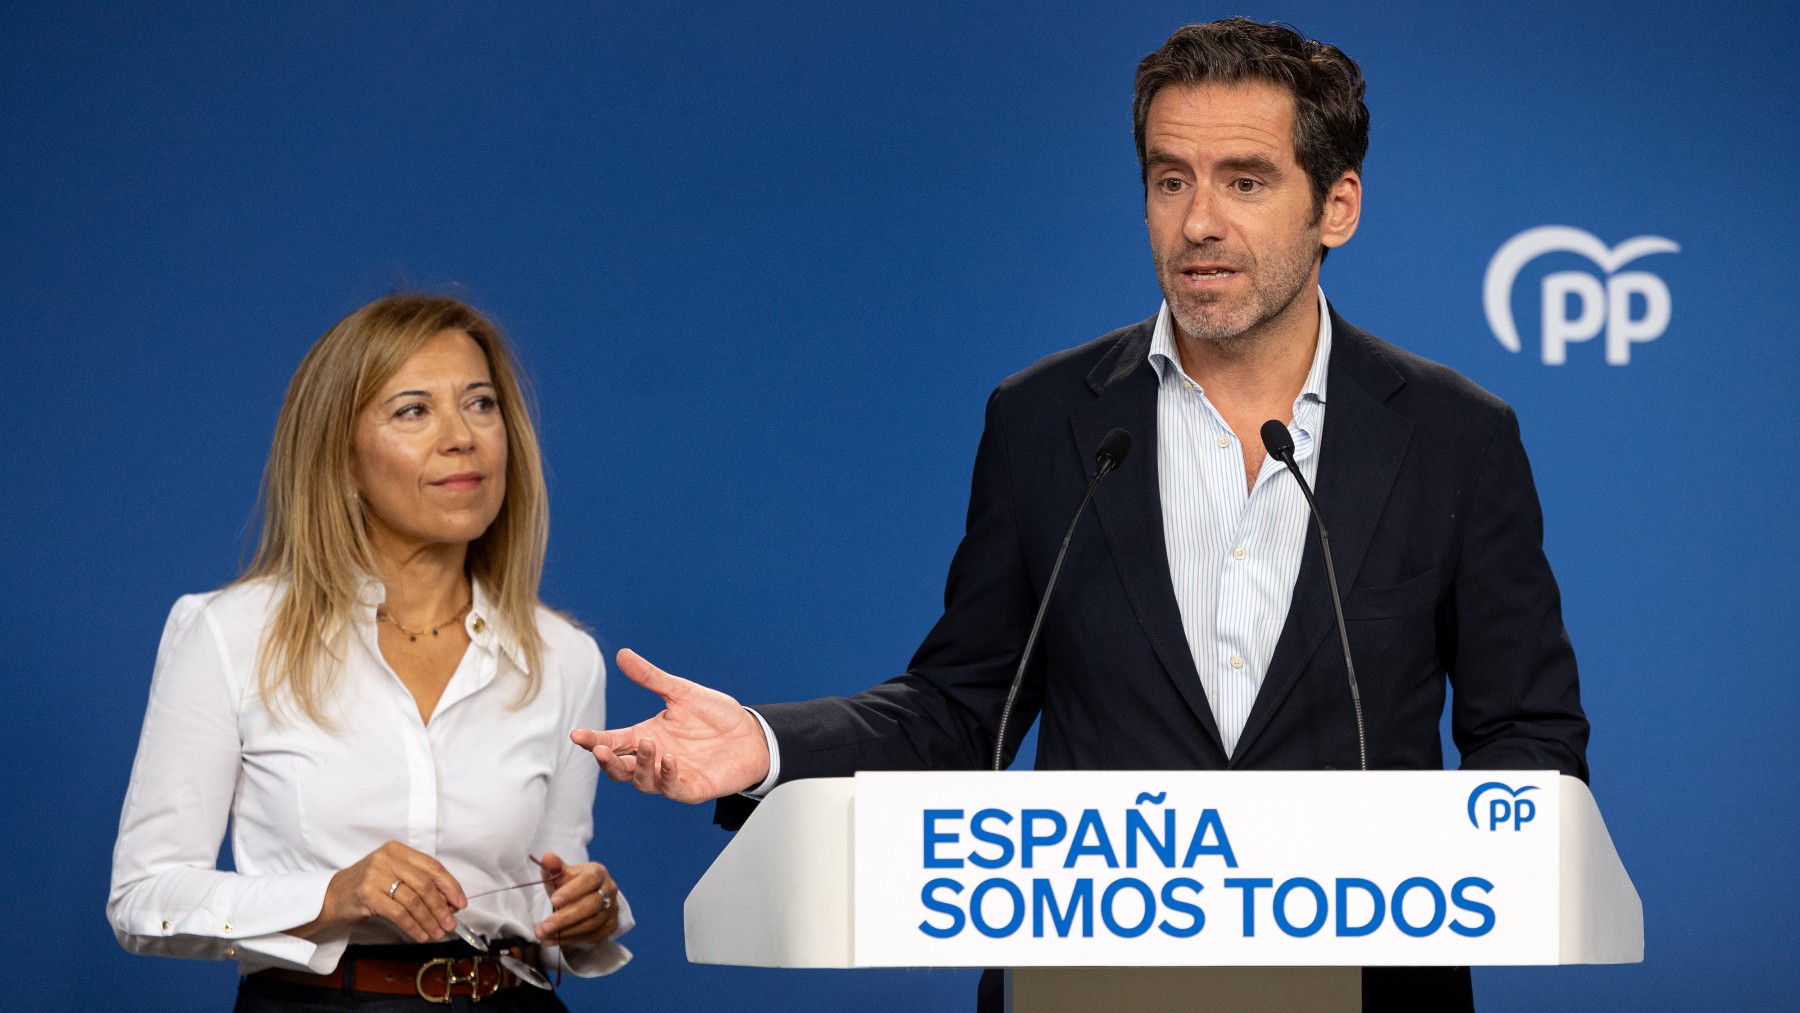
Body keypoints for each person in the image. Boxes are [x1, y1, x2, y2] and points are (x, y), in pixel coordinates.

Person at [572, 18, 1588, 1011]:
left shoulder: (1455, 435)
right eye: (1169, 178)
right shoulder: (1048, 420)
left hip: (1364, 987)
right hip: (1087, 985)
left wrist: (1428, 874)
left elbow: (1528, 740)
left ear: (1338, 205)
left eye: (1245, 179)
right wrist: (766, 741)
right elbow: (964, 708)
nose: (1198, 222)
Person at [109, 295, 633, 1010]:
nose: (462, 437)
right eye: (413, 410)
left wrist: (588, 914)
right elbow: (145, 897)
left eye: (480, 404)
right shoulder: (229, 633)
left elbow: (550, 890)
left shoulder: (564, 656)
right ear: (341, 454)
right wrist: (332, 894)